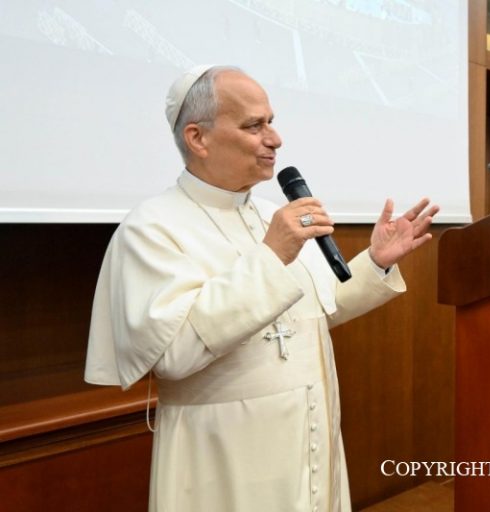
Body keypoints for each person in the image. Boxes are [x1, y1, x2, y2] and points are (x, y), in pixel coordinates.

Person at [84, 65, 439, 512]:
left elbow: (318, 309)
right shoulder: (152, 227)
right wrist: (271, 255)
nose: (275, 138)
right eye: (254, 125)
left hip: (309, 438)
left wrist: (376, 262)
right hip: (223, 458)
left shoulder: (272, 214)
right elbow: (172, 353)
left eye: (271, 121)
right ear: (198, 138)